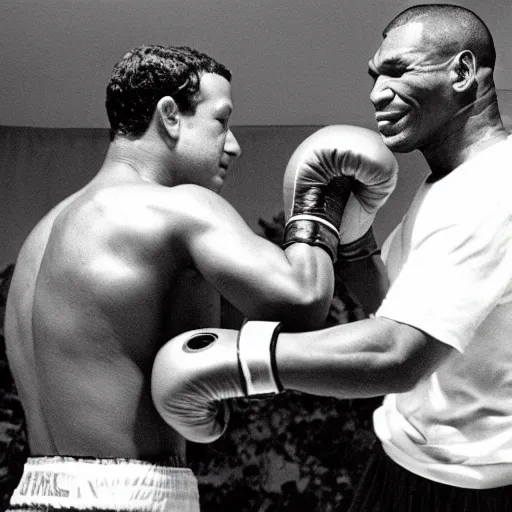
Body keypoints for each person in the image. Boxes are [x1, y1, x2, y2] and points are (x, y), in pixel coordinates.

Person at [3, 44, 397, 511]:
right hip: (131, 499)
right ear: (170, 116)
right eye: (221, 121)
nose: (233, 144)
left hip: (30, 494)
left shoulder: (42, 235)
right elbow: (304, 299)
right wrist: (319, 200)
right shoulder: (180, 207)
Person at [150, 4, 512, 511]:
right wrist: (356, 241)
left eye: (398, 70)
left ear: (463, 71)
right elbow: (393, 308)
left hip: (473, 487)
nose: (376, 92)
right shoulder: (448, 185)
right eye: (374, 75)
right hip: (404, 462)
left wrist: (240, 359)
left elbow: (396, 354)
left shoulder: (494, 187)